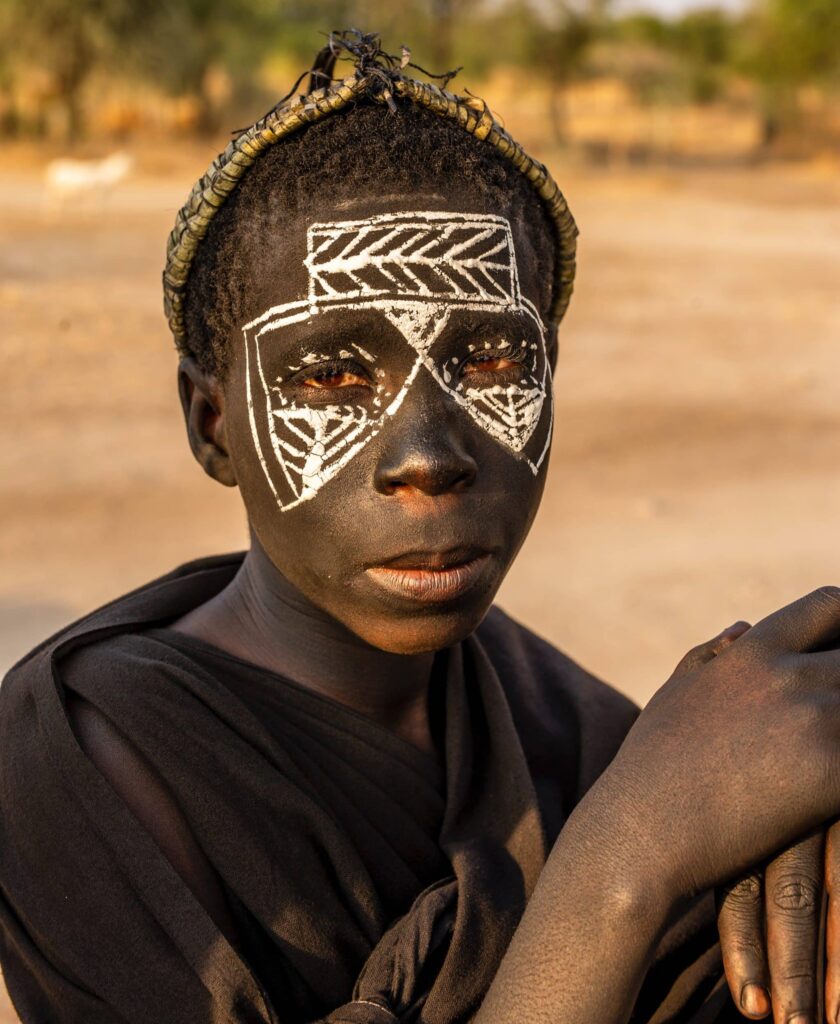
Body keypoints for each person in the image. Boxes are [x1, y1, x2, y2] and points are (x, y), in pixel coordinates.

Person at [1, 31, 839, 1024]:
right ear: (211, 424)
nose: (430, 454)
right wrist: (628, 856)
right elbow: (651, 837)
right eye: (330, 376)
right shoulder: (87, 761)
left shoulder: (564, 724)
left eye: (491, 360)